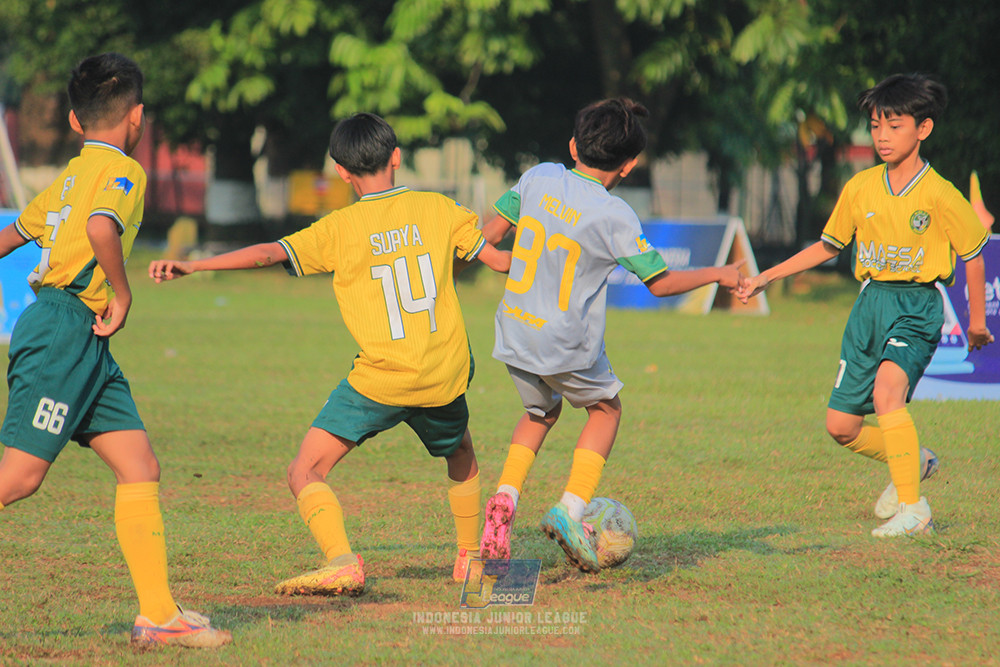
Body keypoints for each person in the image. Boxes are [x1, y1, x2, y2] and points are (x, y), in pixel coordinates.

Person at [149, 112, 511, 594]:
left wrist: (196, 266)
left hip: (382, 378)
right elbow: (500, 261)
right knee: (461, 452)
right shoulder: (440, 209)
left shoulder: (340, 228)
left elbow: (269, 253)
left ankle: (341, 560)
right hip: (442, 373)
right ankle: (469, 559)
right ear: (396, 157)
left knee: (305, 470)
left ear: (341, 171)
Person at [0, 53, 231, 648]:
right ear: (137, 118)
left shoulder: (67, 178)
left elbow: (11, 237)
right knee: (18, 477)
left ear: (74, 121)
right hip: (65, 329)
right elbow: (103, 228)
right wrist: (123, 295)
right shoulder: (124, 173)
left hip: (77, 335)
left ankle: (158, 616)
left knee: (138, 465)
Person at [475, 98, 744, 572]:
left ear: (573, 146)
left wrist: (500, 260)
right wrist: (719, 273)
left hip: (515, 328)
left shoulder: (538, 177)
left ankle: (505, 497)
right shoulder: (614, 213)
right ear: (630, 164)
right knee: (605, 410)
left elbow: (489, 235)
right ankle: (571, 509)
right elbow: (660, 283)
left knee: (540, 411)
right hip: (564, 342)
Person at [738, 73, 993, 537]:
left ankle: (914, 511)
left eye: (894, 125)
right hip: (869, 305)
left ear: (923, 129)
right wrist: (766, 277)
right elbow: (828, 245)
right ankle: (913, 461)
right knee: (841, 426)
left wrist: (977, 322)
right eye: (875, 126)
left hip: (916, 305)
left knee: (887, 394)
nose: (882, 136)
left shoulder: (939, 193)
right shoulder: (860, 187)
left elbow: (974, 255)